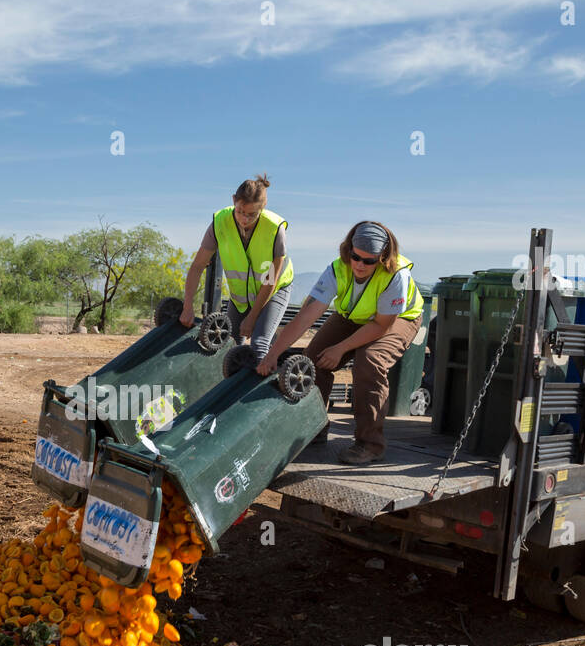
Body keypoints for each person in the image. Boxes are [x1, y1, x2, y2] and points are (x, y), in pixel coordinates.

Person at [257, 220, 423, 465]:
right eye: (356, 257)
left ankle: (371, 444)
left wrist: (341, 348)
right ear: (349, 250)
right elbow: (306, 316)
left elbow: (381, 325)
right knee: (313, 358)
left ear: (383, 257)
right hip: (351, 316)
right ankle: (314, 427)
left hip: (397, 320)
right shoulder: (337, 268)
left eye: (369, 261)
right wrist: (273, 354)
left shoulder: (396, 274)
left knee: (369, 361)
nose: (360, 265)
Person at [179, 174, 293, 361]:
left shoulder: (275, 229)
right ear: (233, 200)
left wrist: (253, 317)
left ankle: (259, 389)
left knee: (259, 345)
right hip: (240, 298)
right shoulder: (220, 222)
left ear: (262, 208)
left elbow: (270, 280)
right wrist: (188, 305)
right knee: (227, 345)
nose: (245, 218)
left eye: (252, 214)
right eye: (240, 211)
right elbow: (198, 266)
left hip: (274, 291)